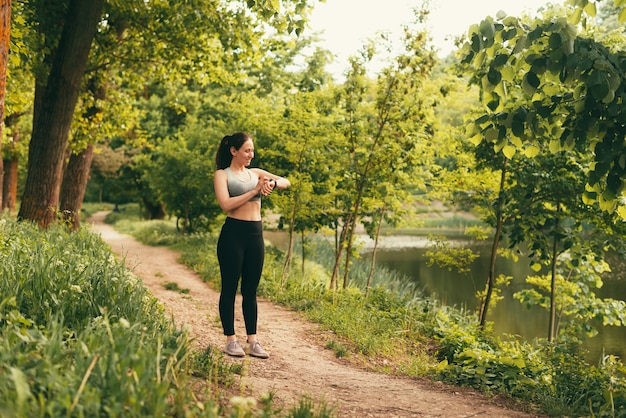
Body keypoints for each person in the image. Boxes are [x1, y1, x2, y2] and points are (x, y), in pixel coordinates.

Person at [213, 132, 290, 358]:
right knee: (229, 288)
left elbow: (287, 181)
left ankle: (253, 341)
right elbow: (226, 204)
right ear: (233, 151)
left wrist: (272, 183)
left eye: (252, 151)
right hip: (233, 235)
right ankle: (230, 340)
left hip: (255, 235)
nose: (251, 155)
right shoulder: (222, 175)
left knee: (250, 290)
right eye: (246, 150)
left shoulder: (256, 173)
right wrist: (255, 191)